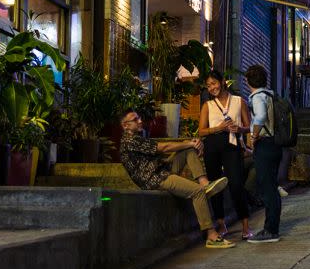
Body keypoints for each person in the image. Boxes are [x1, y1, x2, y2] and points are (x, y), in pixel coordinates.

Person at [119, 109, 234, 249]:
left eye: (139, 118)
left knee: (188, 151)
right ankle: (211, 235)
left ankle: (205, 183)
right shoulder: (130, 141)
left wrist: (190, 144)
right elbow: (164, 147)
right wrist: (190, 142)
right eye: (135, 120)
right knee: (197, 192)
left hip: (161, 170)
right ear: (125, 125)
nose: (140, 121)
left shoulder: (137, 137)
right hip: (155, 179)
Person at [198, 70, 253, 240]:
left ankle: (245, 225)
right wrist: (218, 128)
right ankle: (221, 224)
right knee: (215, 187)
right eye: (208, 85)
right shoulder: (208, 105)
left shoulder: (239, 101)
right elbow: (201, 131)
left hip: (232, 146)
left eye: (214, 83)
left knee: (236, 184)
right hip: (212, 147)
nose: (211, 88)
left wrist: (240, 129)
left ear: (222, 82)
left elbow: (248, 126)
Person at [245, 65, 282, 243]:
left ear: (248, 81)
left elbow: (259, 117)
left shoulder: (258, 97)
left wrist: (254, 136)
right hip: (275, 144)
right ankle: (272, 227)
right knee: (272, 188)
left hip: (265, 145)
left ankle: (270, 230)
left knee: (267, 189)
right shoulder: (270, 95)